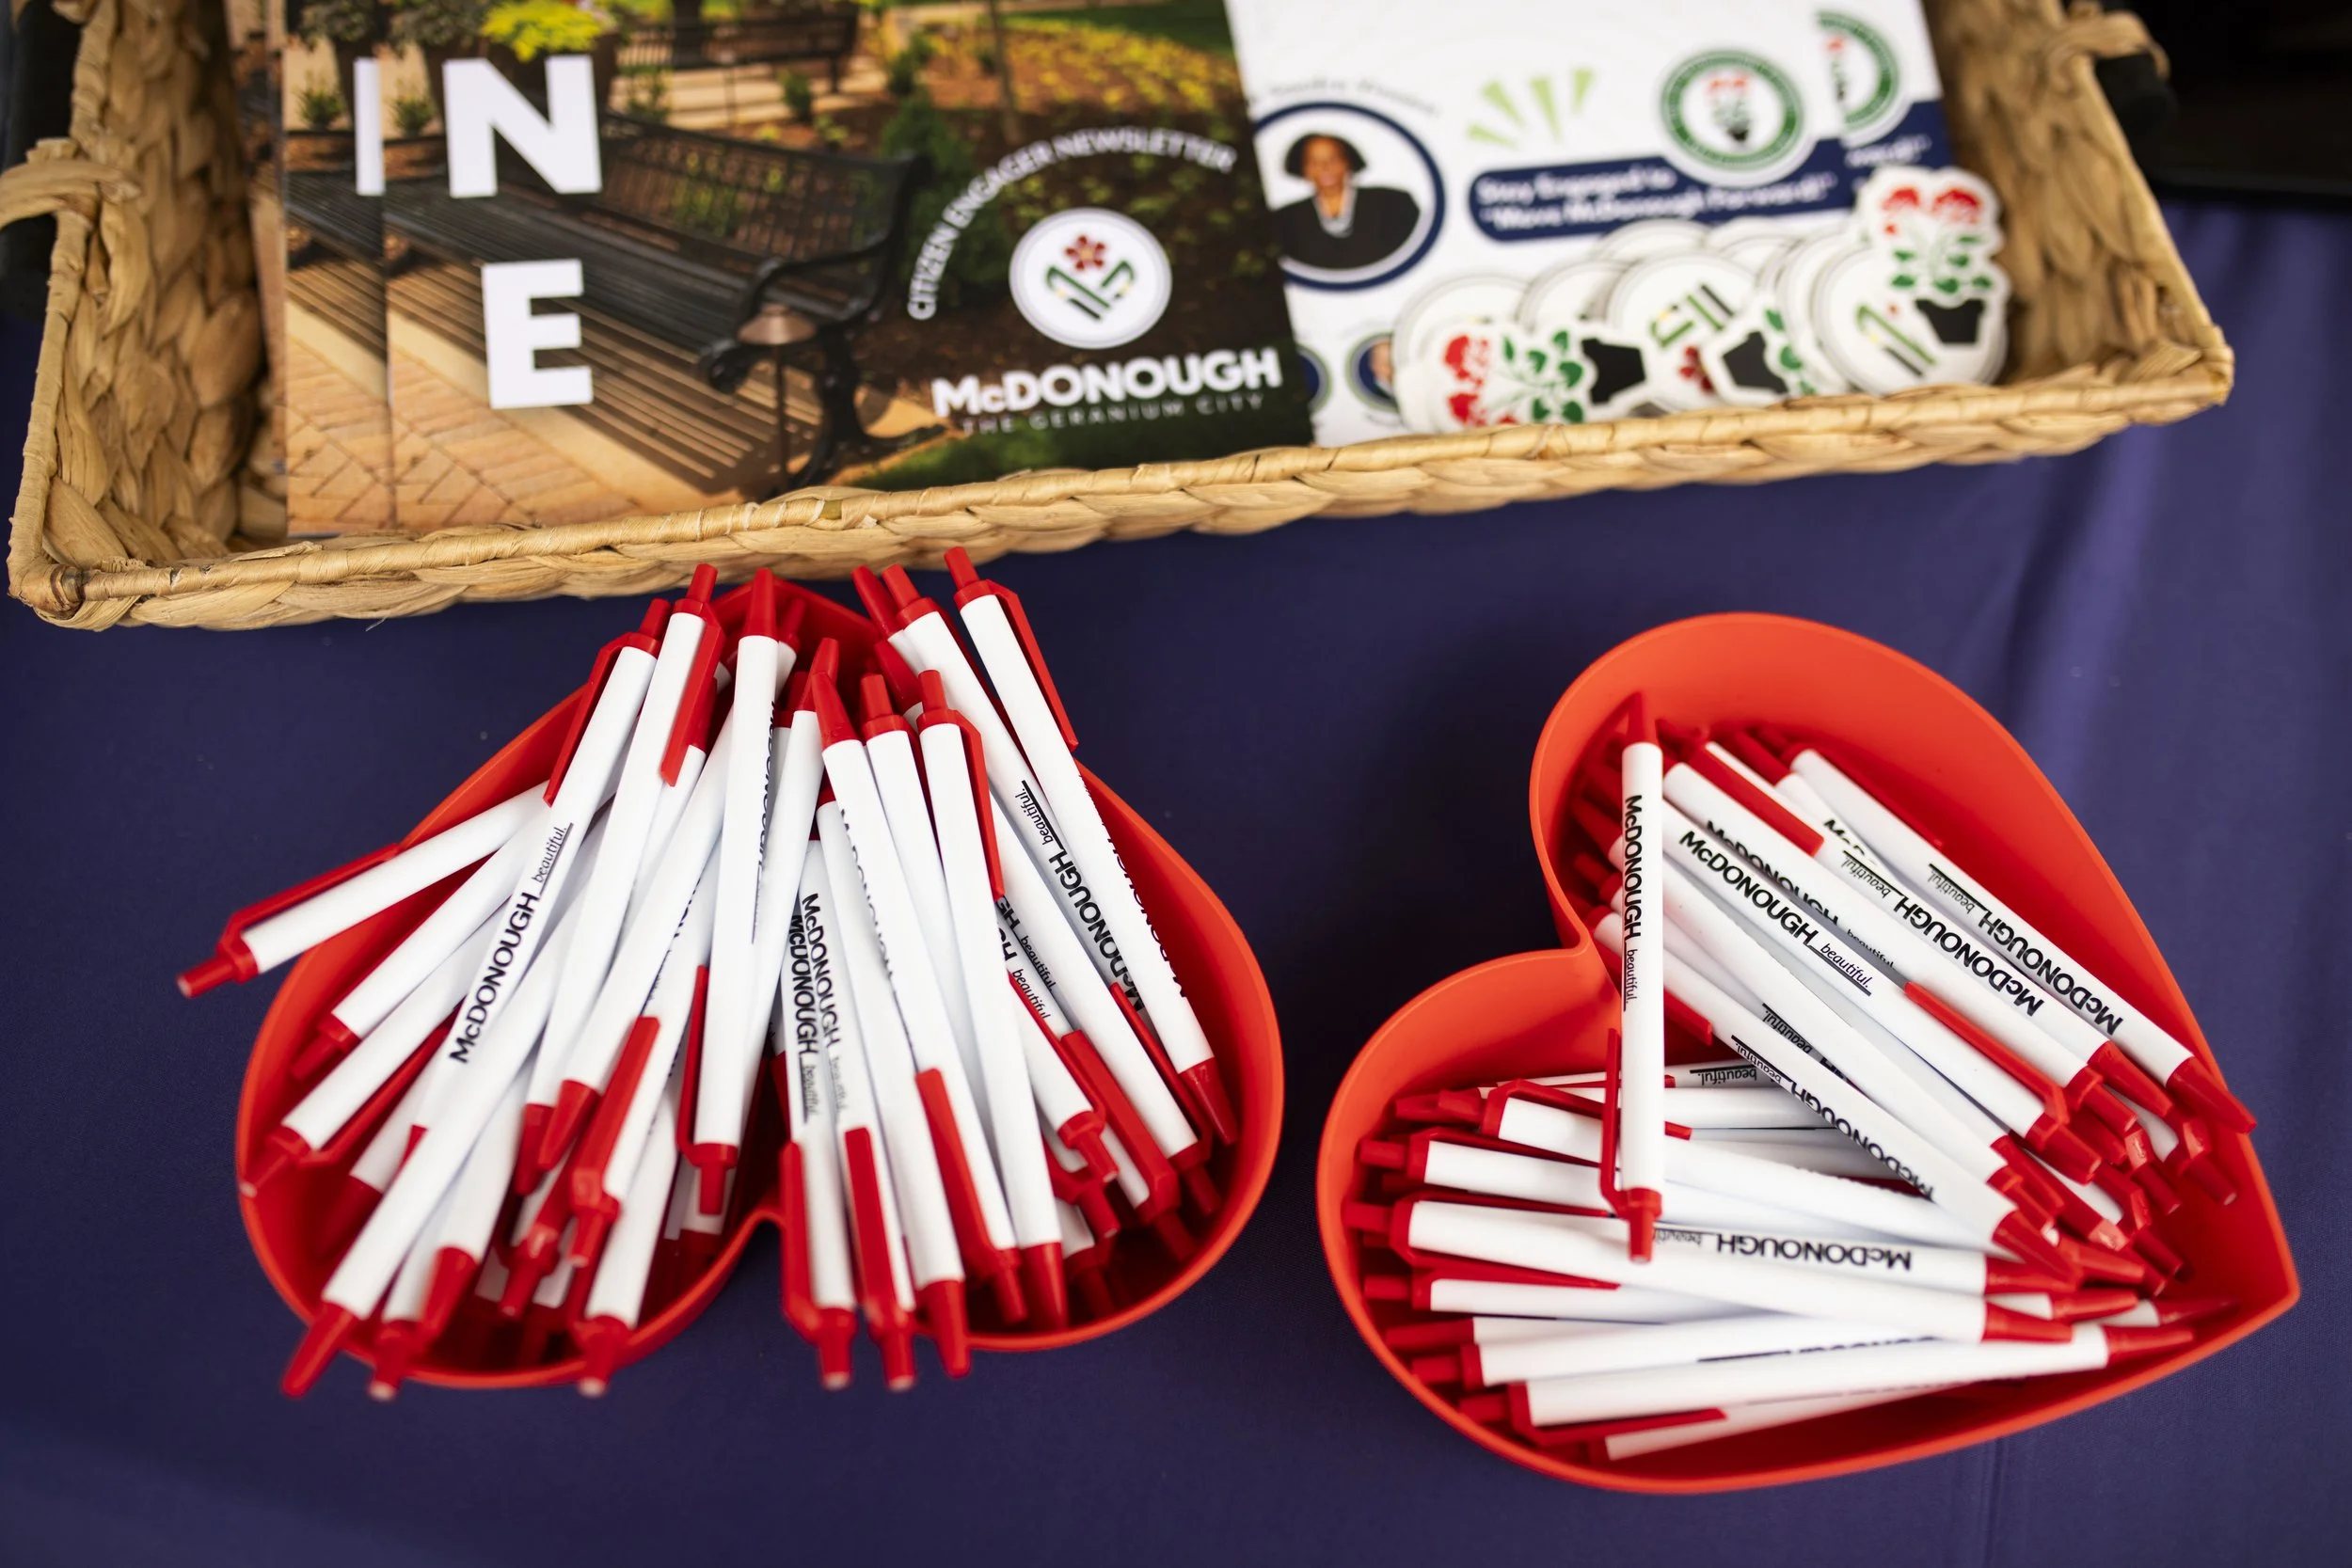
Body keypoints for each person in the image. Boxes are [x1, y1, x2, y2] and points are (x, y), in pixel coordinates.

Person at [1273, 133, 1422, 273]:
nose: (1325, 167)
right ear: (1303, 169)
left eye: (1333, 159)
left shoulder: (1393, 203)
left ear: (1348, 162)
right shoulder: (1286, 219)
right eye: (1314, 162)